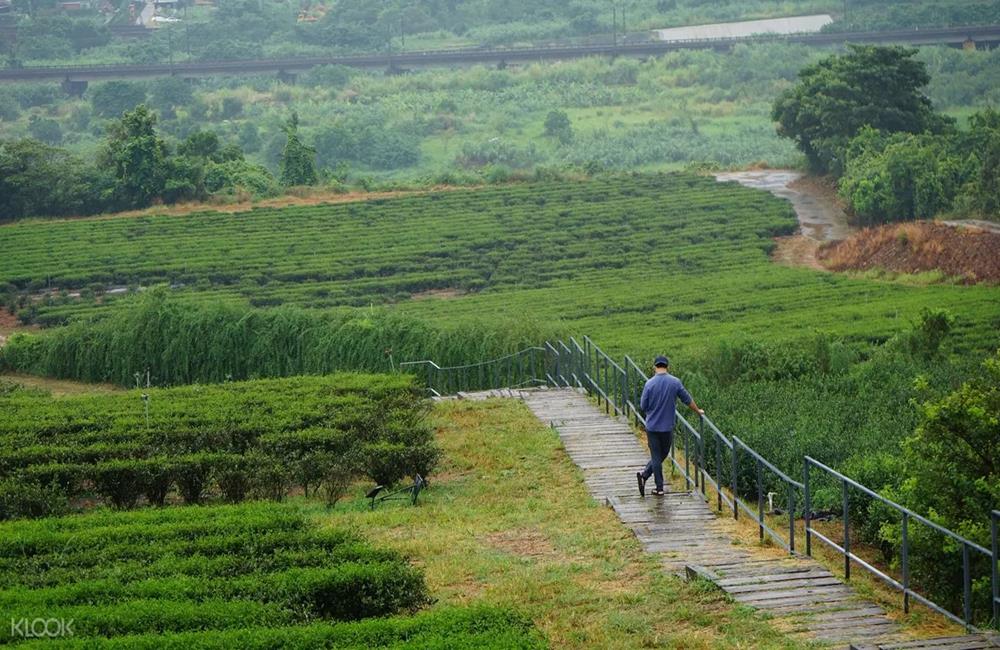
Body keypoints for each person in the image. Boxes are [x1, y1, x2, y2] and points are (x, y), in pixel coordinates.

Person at [637, 355, 703, 497]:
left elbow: (643, 405)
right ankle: (656, 485)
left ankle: (646, 477)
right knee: (663, 453)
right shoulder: (675, 382)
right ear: (667, 367)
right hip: (667, 427)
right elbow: (687, 399)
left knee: (656, 456)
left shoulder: (649, 384)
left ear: (655, 367)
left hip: (652, 427)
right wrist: (698, 411)